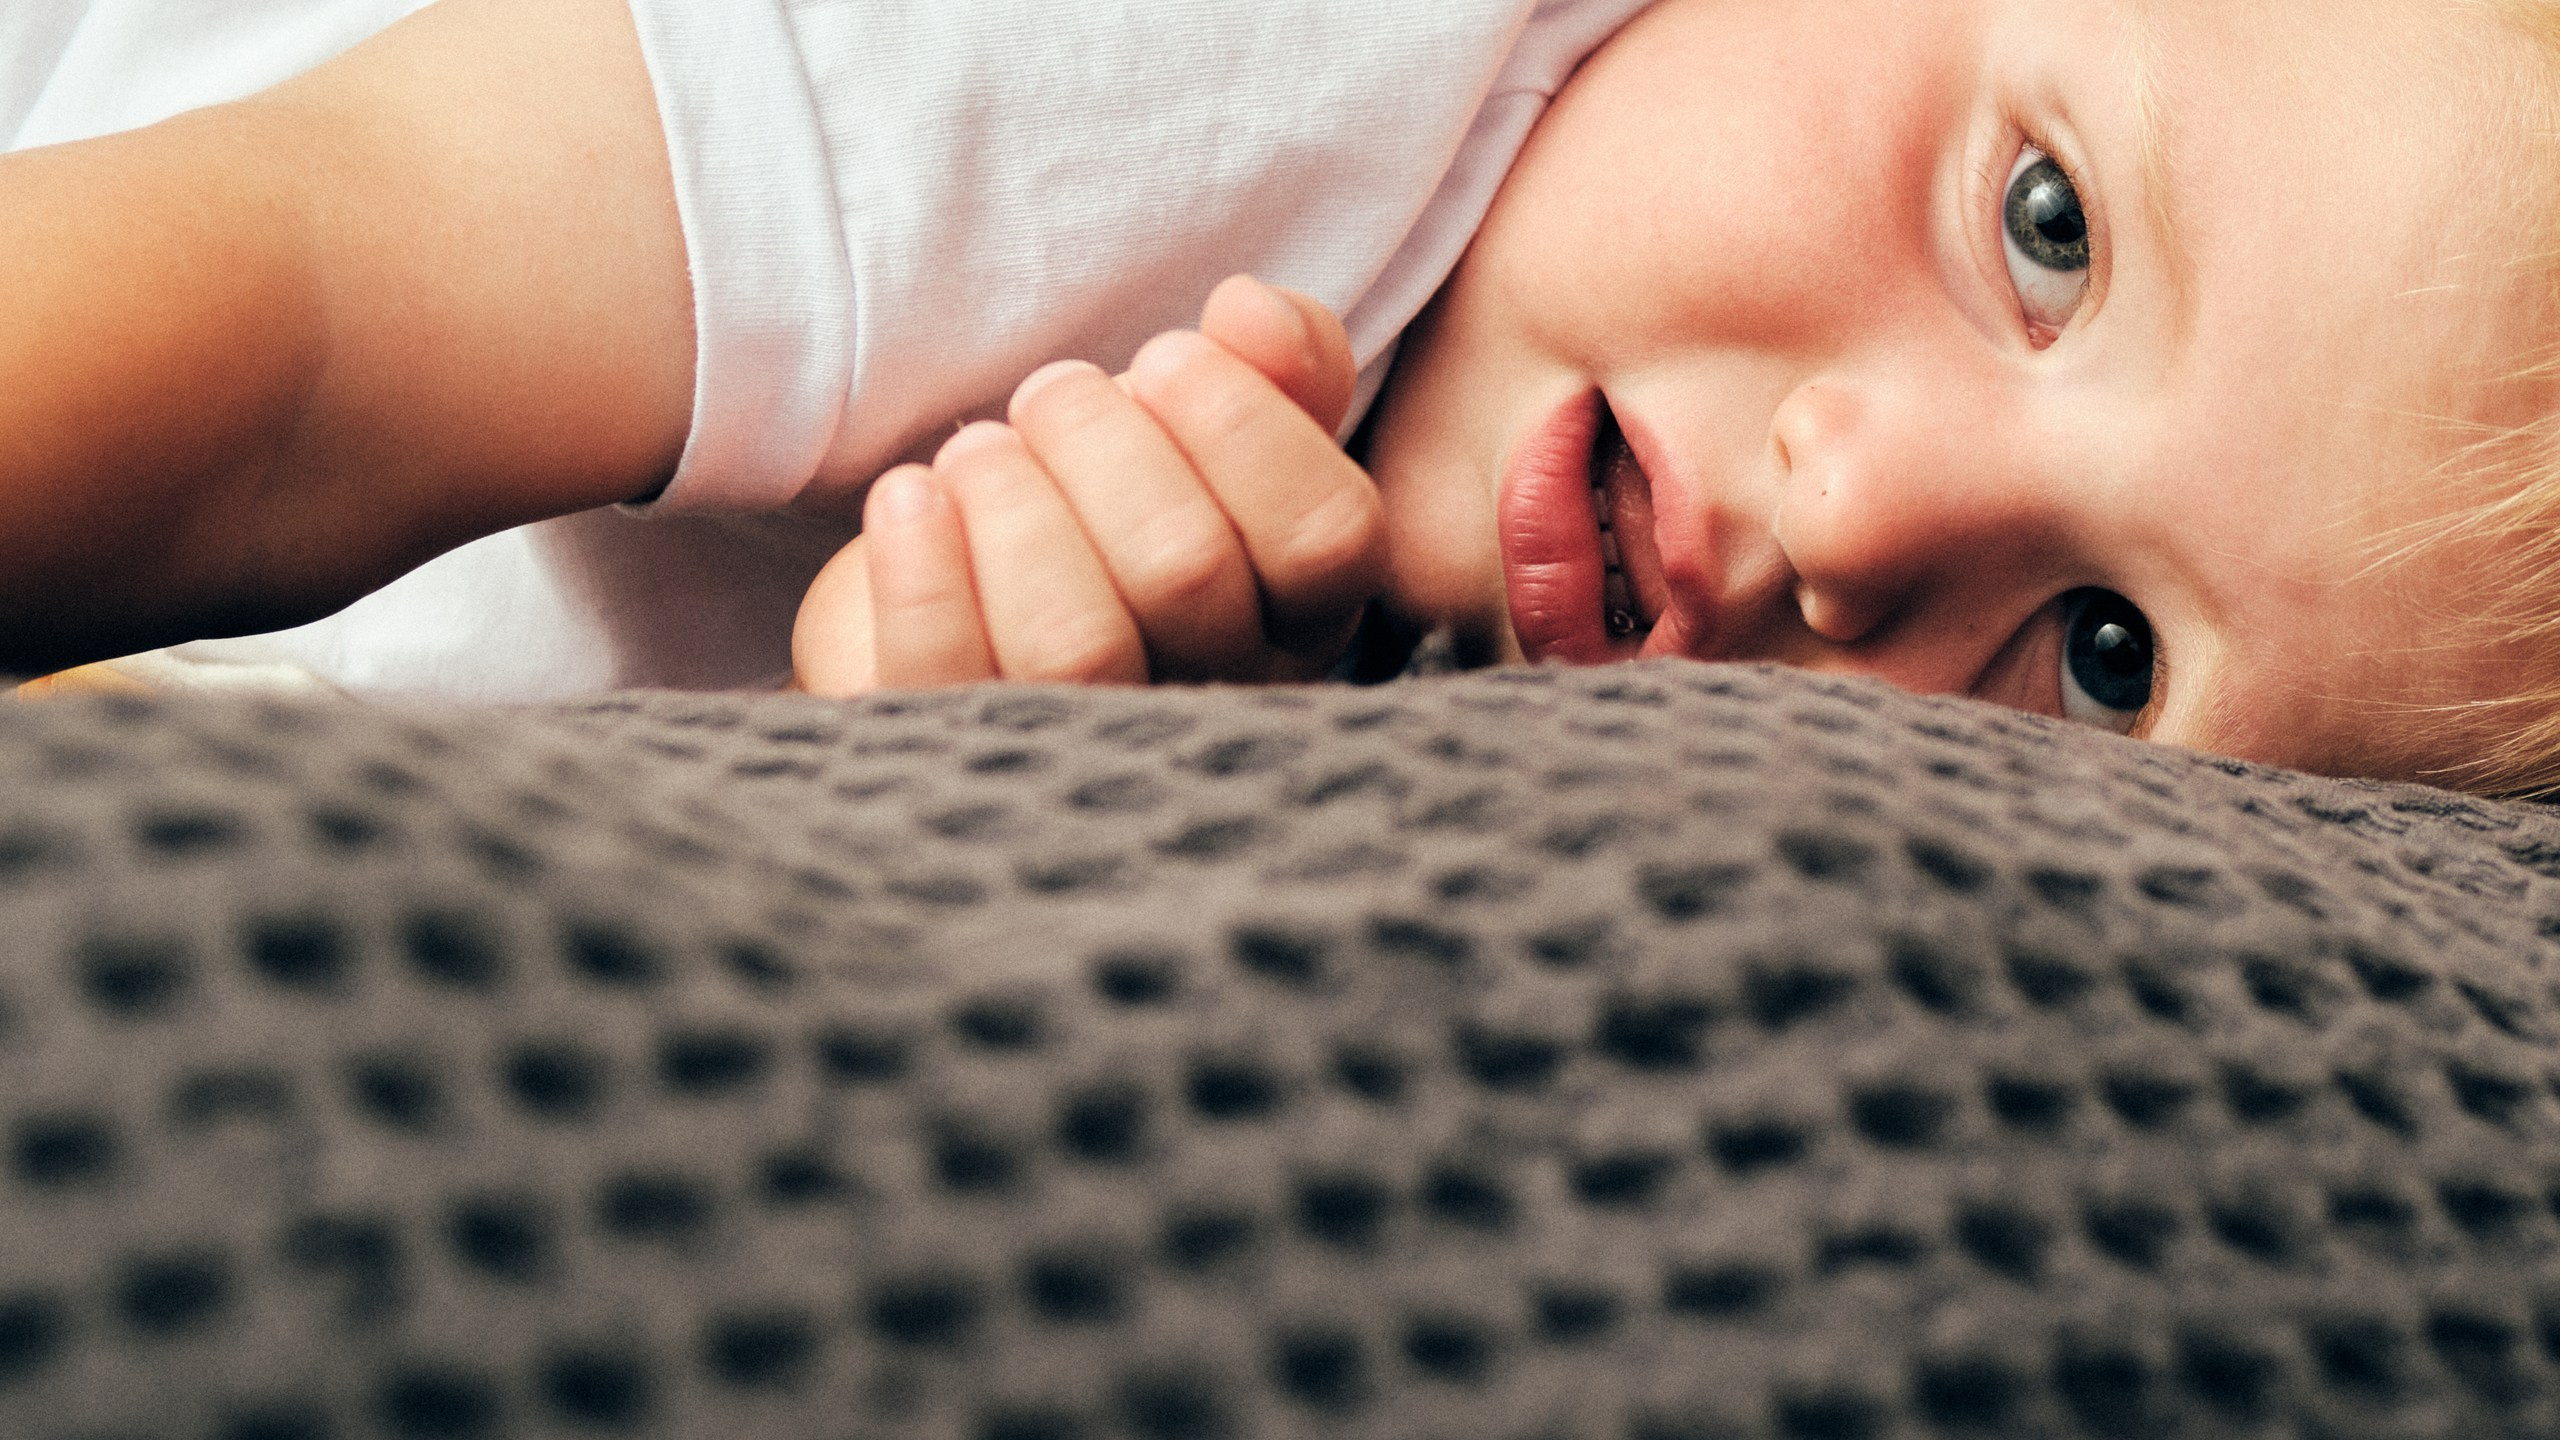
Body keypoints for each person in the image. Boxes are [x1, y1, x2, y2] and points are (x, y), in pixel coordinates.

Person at [2, 0, 2557, 795]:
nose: (1860, 513)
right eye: (2042, 225)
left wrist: (968, 788)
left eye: (2106, 655)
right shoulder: (1308, 59)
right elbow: (299, 331)